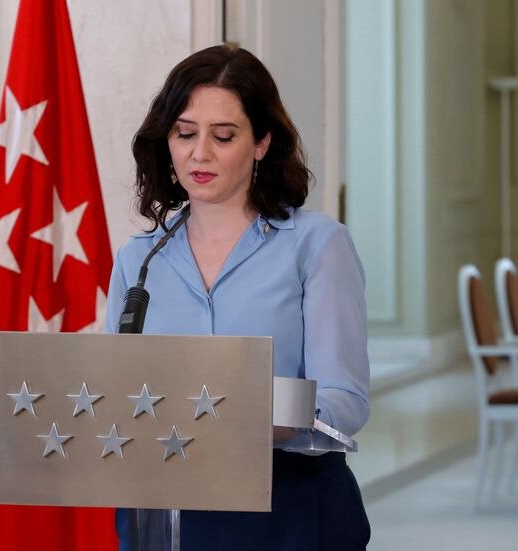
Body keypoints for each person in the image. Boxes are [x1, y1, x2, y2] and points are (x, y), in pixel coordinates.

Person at [104, 45, 370, 550]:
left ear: (262, 144)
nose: (199, 153)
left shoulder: (317, 245)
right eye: (184, 133)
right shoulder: (137, 260)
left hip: (289, 509)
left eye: (222, 136)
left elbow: (346, 402)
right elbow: (114, 393)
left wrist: (261, 420)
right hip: (162, 515)